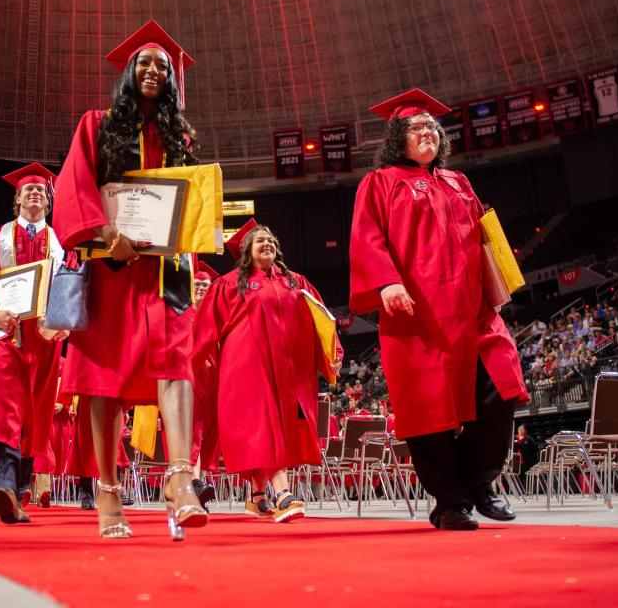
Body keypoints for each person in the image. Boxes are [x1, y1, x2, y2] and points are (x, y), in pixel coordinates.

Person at [53, 20, 208, 540]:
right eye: (144, 63)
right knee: (106, 377)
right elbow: (75, 181)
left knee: (176, 361)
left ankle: (181, 477)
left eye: (162, 66)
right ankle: (107, 488)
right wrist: (102, 229)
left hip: (165, 269)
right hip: (112, 266)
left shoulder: (178, 136)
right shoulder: (97, 124)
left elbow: (191, 201)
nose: (152, 70)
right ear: (128, 74)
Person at [348, 88, 528, 531]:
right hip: (419, 315)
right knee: (428, 410)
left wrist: (501, 278)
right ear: (397, 138)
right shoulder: (381, 182)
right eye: (416, 127)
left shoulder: (457, 181)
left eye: (432, 127)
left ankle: (481, 484)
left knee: (501, 389)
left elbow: (485, 239)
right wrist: (386, 280)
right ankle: (450, 501)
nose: (427, 132)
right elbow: (367, 236)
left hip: (474, 312)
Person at [192, 222, 344, 523]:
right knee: (265, 425)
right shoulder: (229, 284)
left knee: (282, 428)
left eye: (271, 240)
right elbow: (205, 328)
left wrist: (333, 353)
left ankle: (258, 494)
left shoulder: (296, 282)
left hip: (292, 371)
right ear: (247, 249)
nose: (268, 244)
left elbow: (322, 319)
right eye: (260, 240)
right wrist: (193, 361)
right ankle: (283, 492)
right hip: (247, 368)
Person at [0, 163, 67, 525]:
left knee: (34, 419)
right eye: (28, 191)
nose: (35, 194)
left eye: (41, 191)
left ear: (49, 202)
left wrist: (65, 323)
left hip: (45, 341)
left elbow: (71, 287)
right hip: (4, 338)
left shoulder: (61, 245)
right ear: (17, 198)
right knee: (4, 411)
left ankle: (16, 498)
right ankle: (4, 486)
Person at [190, 261, 221, 507]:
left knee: (205, 433)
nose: (201, 288)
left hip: (212, 384)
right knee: (192, 432)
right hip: (189, 380)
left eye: (206, 285)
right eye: (197, 284)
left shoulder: (216, 315)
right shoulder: (181, 313)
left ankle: (195, 483)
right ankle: (194, 482)